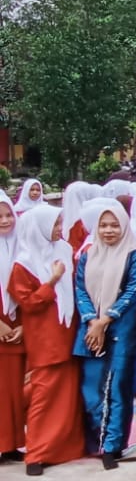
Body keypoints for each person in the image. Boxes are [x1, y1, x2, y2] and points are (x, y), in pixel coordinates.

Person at [73, 200, 136, 467]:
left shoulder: (135, 255)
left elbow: (132, 291)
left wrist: (106, 319)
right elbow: (80, 289)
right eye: (103, 225)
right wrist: (92, 320)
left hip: (121, 328)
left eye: (115, 225)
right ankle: (96, 440)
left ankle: (112, 445)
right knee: (91, 387)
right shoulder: (88, 255)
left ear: (124, 226)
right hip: (91, 328)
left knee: (117, 386)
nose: (108, 231)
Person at [10, 207, 81, 474]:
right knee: (44, 393)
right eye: (54, 224)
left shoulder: (62, 250)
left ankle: (64, 448)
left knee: (67, 394)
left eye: (60, 222)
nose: (59, 228)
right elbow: (28, 303)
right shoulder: (24, 262)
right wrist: (51, 281)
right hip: (44, 336)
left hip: (66, 329)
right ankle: (37, 452)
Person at [0, 193, 22, 461]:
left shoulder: (21, 246)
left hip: (17, 324)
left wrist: (23, 326)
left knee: (13, 390)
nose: (5, 221)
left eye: (8, 215)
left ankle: (11, 443)